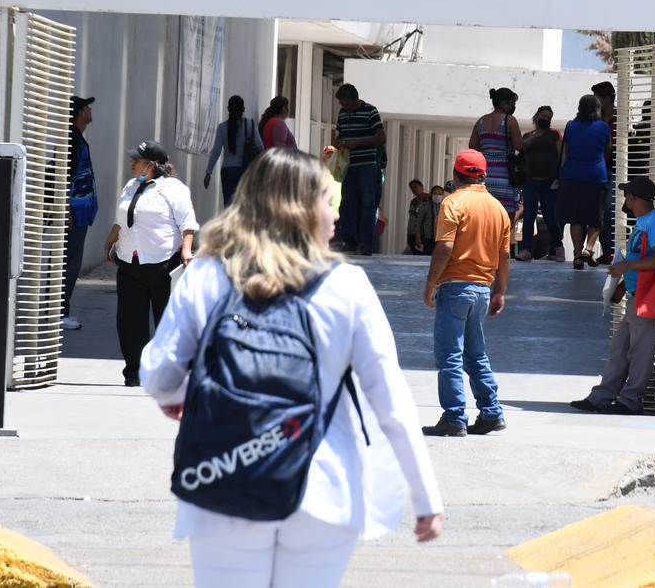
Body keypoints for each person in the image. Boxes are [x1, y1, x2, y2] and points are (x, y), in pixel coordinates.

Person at [139, 148, 443, 587]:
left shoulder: (207, 275)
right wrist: (425, 496)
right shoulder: (346, 285)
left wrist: (180, 395)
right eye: (327, 201)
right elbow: (389, 398)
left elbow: (158, 372)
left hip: (224, 479)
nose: (335, 214)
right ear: (299, 210)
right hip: (322, 490)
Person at [421, 149, 509, 437]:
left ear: (455, 174)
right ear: (484, 175)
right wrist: (500, 291)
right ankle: (492, 412)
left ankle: (454, 418)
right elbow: (504, 255)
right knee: (476, 354)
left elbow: (445, 247)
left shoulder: (452, 202)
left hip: (455, 288)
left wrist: (431, 283)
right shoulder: (498, 208)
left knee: (450, 356)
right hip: (482, 290)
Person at [570, 176, 655, 415]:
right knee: (620, 348)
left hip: (647, 299)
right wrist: (624, 286)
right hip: (637, 296)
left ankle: (630, 400)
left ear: (633, 198)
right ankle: (602, 397)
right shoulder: (644, 222)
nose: (625, 199)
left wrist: (626, 267)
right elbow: (642, 259)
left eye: (626, 195)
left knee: (639, 352)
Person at [103, 141, 198, 387]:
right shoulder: (131, 185)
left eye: (137, 160)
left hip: (162, 264)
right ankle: (135, 372)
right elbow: (123, 217)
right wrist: (112, 237)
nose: (132, 163)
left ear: (151, 165)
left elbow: (188, 222)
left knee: (167, 321)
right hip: (129, 261)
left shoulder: (174, 188)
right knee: (130, 322)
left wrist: (187, 250)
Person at [556, 94, 611, 270]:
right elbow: (608, 149)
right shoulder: (603, 127)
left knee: (576, 218)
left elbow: (565, 150)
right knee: (596, 216)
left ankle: (578, 256)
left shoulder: (571, 126)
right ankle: (589, 248)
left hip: (572, 175)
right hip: (595, 176)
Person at [333, 83, 386, 256]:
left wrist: (358, 143)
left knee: (367, 205)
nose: (345, 108)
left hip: (366, 165)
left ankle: (365, 244)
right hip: (348, 166)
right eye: (343, 105)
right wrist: (338, 143)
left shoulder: (370, 111)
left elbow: (381, 138)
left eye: (347, 104)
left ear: (356, 99)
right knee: (347, 205)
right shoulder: (342, 113)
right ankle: (349, 242)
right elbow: (340, 134)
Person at [61, 95, 100, 331]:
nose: (89, 110)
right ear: (80, 113)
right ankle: (59, 313)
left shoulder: (76, 138)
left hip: (79, 213)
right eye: (86, 107)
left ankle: (57, 311)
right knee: (69, 263)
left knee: (69, 262)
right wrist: (66, 211)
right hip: (73, 214)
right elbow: (64, 176)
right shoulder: (72, 140)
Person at [470, 87, 524, 231]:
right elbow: (519, 145)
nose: (513, 107)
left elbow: (473, 147)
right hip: (505, 177)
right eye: (512, 103)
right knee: (506, 218)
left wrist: (488, 153)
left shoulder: (481, 121)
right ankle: (502, 244)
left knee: (484, 216)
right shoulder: (509, 120)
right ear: (504, 103)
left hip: (485, 177)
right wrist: (532, 140)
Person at [517, 106, 564, 263]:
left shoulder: (554, 134)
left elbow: (561, 156)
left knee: (550, 217)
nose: (546, 119)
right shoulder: (527, 136)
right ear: (536, 116)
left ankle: (558, 248)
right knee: (529, 215)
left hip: (549, 183)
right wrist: (534, 136)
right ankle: (526, 250)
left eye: (549, 117)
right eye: (544, 116)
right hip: (530, 182)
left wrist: (561, 177)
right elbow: (521, 149)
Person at [204, 95, 264, 206]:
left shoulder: (222, 127)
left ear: (228, 109)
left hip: (228, 170)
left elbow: (216, 151)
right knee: (244, 205)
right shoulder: (251, 125)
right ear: (243, 109)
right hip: (246, 170)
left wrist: (208, 172)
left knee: (229, 206)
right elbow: (260, 147)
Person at [592, 81, 617, 265]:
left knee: (610, 209)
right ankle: (607, 250)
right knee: (599, 211)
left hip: (615, 170)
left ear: (607, 98)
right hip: (597, 170)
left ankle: (613, 250)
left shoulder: (623, 119)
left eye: (598, 98)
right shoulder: (594, 119)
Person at [414, 185, 444, 255]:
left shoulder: (445, 206)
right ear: (431, 194)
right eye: (435, 193)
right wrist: (418, 237)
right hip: (428, 238)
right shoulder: (425, 205)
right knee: (427, 258)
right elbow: (418, 222)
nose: (437, 196)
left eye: (440, 194)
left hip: (441, 239)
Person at [405, 179, 429, 254]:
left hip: (423, 233)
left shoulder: (428, 198)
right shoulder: (413, 201)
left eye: (416, 187)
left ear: (422, 187)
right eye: (412, 188)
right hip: (411, 231)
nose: (414, 189)